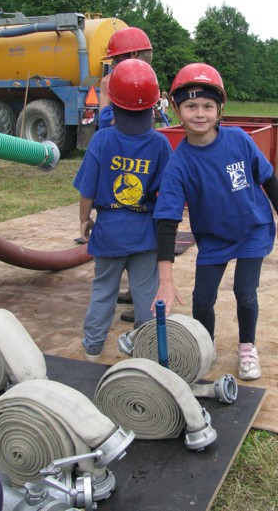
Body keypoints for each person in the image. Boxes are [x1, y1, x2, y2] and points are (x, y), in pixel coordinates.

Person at [151, 63, 278, 381]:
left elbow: (267, 177)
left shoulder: (239, 141)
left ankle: (247, 347)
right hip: (213, 238)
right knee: (202, 300)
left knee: (244, 291)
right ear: (176, 109)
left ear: (219, 109)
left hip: (253, 229)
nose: (199, 113)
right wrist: (165, 278)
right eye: (190, 106)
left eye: (207, 106)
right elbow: (167, 221)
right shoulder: (179, 164)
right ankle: (205, 347)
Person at [73, 59, 172, 360]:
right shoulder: (160, 144)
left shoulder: (102, 139)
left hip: (109, 233)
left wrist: (84, 220)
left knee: (103, 291)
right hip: (146, 235)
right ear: (153, 106)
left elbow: (88, 189)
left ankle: (92, 348)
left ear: (114, 104)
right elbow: (167, 195)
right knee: (145, 298)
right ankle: (145, 354)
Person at [99, 26, 155, 322]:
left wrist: (105, 100)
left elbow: (108, 133)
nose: (112, 67)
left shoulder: (126, 88)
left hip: (128, 200)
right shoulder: (146, 84)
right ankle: (137, 294)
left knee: (138, 248)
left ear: (132, 56)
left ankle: (141, 301)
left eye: (115, 60)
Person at [99, 26, 154, 130]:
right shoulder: (150, 84)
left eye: (115, 60)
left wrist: (104, 95)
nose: (112, 66)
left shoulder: (132, 90)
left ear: (133, 54)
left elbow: (106, 134)